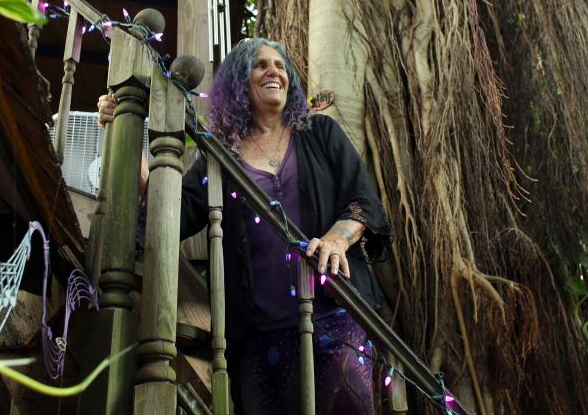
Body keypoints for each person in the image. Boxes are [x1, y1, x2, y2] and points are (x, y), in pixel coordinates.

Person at [97, 38, 391, 414]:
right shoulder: (220, 158)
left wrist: (337, 239)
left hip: (333, 322)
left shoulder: (321, 134)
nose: (274, 71)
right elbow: (172, 210)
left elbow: (363, 201)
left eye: (280, 65)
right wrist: (121, 128)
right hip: (258, 338)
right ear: (239, 81)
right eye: (261, 65)